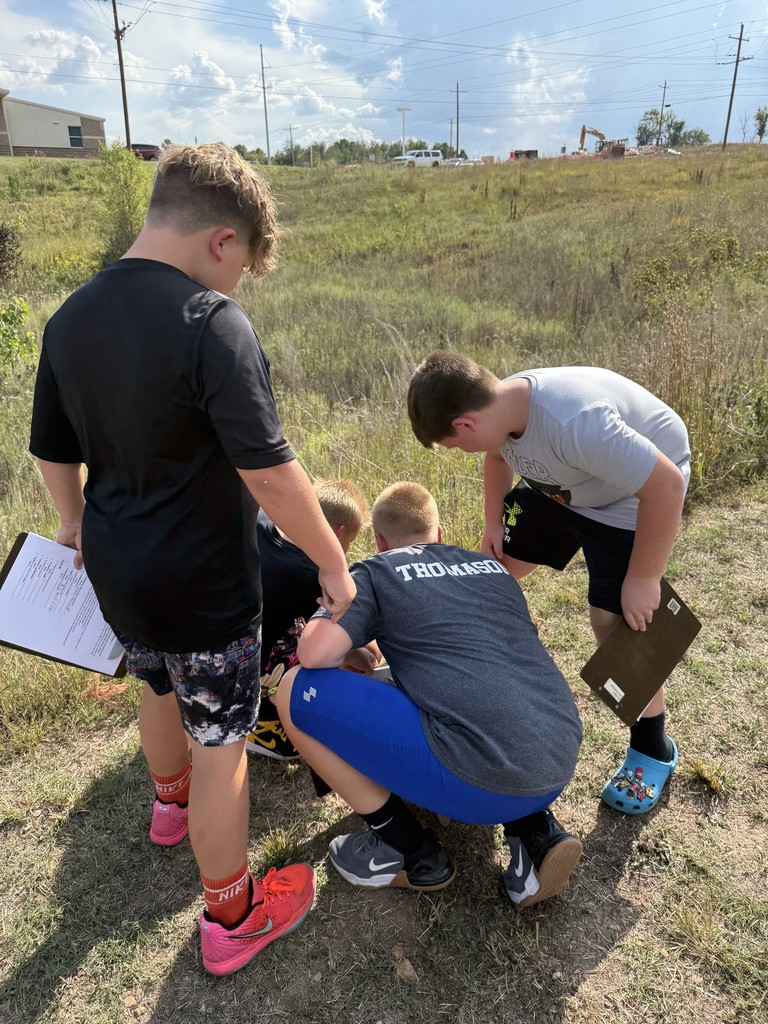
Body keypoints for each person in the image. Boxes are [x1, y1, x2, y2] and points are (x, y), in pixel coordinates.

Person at [29, 143, 356, 977]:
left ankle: (168, 811)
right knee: (224, 741)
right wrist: (332, 562)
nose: (237, 283)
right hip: (204, 580)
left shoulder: (68, 319)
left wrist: (70, 522)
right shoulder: (213, 322)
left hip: (115, 566)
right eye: (242, 263)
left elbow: (52, 450)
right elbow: (272, 476)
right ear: (221, 238)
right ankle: (232, 915)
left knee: (156, 684)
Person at [273, 482, 584, 908]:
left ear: (380, 541)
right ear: (439, 533)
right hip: (559, 753)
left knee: (293, 690)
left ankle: (404, 847)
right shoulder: (491, 567)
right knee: (472, 689)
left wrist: (338, 618)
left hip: (481, 777)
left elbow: (312, 653)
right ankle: (534, 833)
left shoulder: (376, 571)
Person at [407, 350, 691, 815]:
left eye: (456, 445)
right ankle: (466, 666)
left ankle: (652, 747)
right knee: (491, 571)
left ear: (464, 425)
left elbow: (665, 486)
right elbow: (498, 456)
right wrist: (493, 523)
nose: (462, 452)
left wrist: (644, 578)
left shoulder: (577, 423)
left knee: (616, 623)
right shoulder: (501, 408)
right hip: (562, 488)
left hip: (630, 499)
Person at [248, 479, 370, 761]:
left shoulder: (264, 518)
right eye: (349, 543)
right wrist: (355, 654)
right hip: (245, 659)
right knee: (320, 653)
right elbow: (328, 639)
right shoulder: (311, 573)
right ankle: (259, 718)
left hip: (212, 635)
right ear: (339, 534)